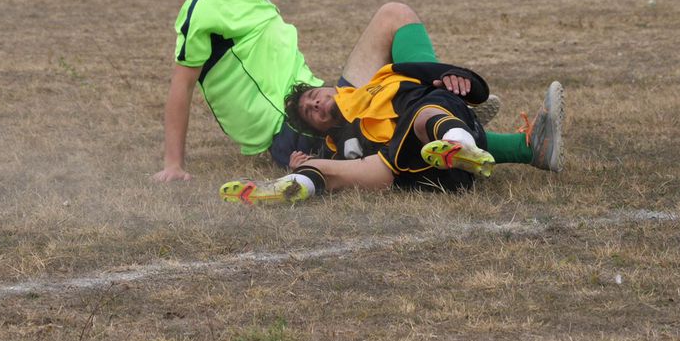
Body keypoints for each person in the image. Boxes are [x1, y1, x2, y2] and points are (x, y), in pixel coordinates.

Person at [152, 0, 494, 182]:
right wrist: (173, 164)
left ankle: (443, 103)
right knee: (392, 126)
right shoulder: (206, 8)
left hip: (326, 99)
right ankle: (466, 127)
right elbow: (182, 85)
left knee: (395, 14)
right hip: (292, 128)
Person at [218, 61, 563, 205]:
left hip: (431, 124)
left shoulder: (385, 77)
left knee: (424, 114)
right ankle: (286, 187)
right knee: (326, 168)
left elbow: (472, 84)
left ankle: (459, 145)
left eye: (315, 96)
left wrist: (464, 83)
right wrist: (304, 164)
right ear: (320, 129)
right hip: (415, 172)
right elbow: (349, 171)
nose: (316, 104)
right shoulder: (337, 145)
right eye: (311, 112)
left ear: (331, 88)